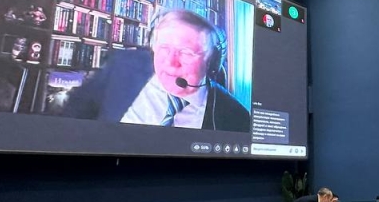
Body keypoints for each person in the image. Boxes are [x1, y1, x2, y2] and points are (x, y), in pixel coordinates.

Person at [65, 9, 250, 131]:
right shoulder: (122, 66)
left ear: (212, 60)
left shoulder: (235, 117)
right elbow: (71, 116)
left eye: (186, 52)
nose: (171, 62)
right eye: (164, 48)